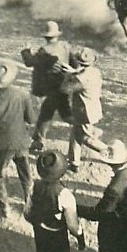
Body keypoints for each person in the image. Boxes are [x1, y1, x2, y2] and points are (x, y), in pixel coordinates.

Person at [0, 63, 36, 220]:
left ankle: (5, 210)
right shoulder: (23, 95)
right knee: (25, 174)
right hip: (21, 141)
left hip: (2, 144)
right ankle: (29, 204)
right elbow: (31, 119)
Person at [21, 21, 73, 155]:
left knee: (46, 114)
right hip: (64, 84)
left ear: (45, 36)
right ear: (57, 35)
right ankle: (85, 129)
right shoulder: (65, 46)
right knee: (65, 113)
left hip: (52, 88)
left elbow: (29, 62)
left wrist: (26, 50)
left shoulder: (45, 51)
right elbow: (74, 63)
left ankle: (38, 143)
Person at [58, 47, 108, 173]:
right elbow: (84, 74)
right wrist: (74, 72)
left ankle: (107, 150)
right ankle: (74, 162)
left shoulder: (80, 79)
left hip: (84, 112)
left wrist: (67, 75)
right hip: (92, 108)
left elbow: (65, 89)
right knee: (75, 134)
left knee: (86, 138)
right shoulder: (95, 72)